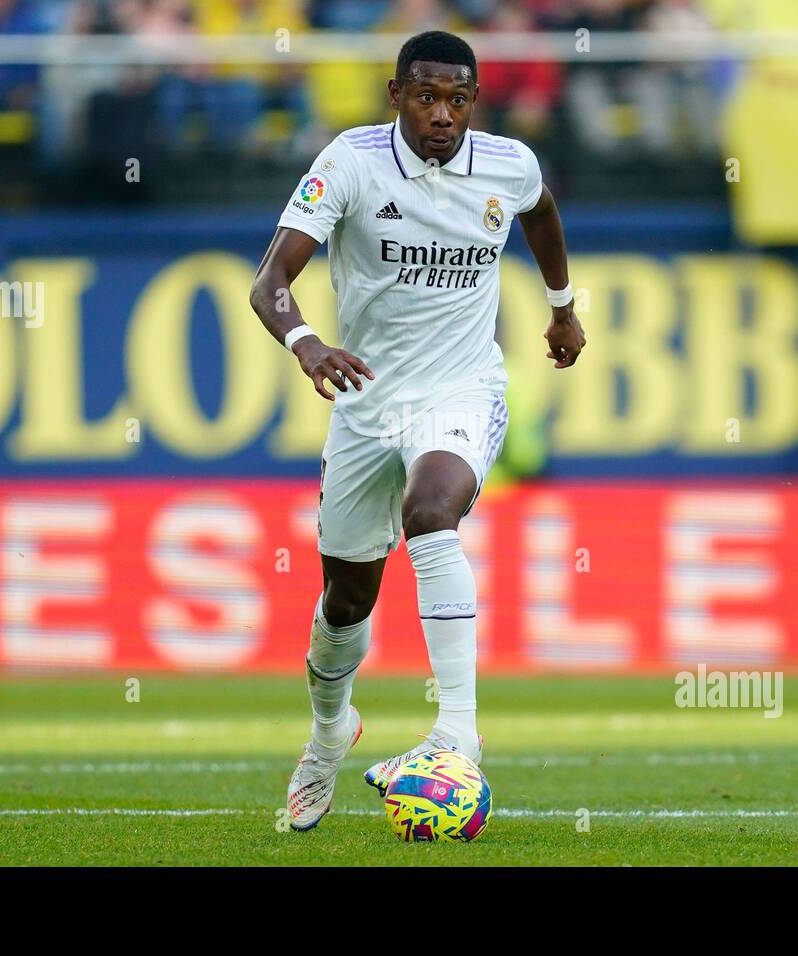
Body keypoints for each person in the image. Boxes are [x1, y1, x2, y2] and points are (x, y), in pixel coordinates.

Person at [249, 30, 586, 831]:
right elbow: (270, 283)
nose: (443, 114)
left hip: (463, 386)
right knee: (344, 603)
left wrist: (563, 306)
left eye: (458, 100)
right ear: (395, 94)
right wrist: (308, 344)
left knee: (433, 510)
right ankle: (331, 730)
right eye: (427, 96)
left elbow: (540, 211)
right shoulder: (352, 162)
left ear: (475, 102)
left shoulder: (508, 163)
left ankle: (457, 734)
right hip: (367, 400)